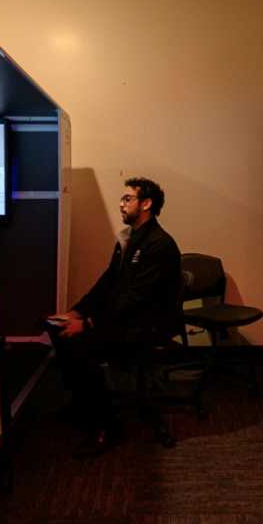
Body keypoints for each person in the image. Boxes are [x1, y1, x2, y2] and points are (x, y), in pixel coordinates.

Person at [49, 176, 181, 457]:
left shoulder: (159, 245)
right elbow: (108, 283)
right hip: (128, 318)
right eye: (122, 199)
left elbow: (137, 299)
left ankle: (106, 427)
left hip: (148, 325)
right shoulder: (128, 239)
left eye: (128, 199)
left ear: (146, 204)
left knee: (80, 344)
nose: (121, 204)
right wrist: (77, 311)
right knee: (57, 329)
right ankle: (83, 404)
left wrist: (88, 324)